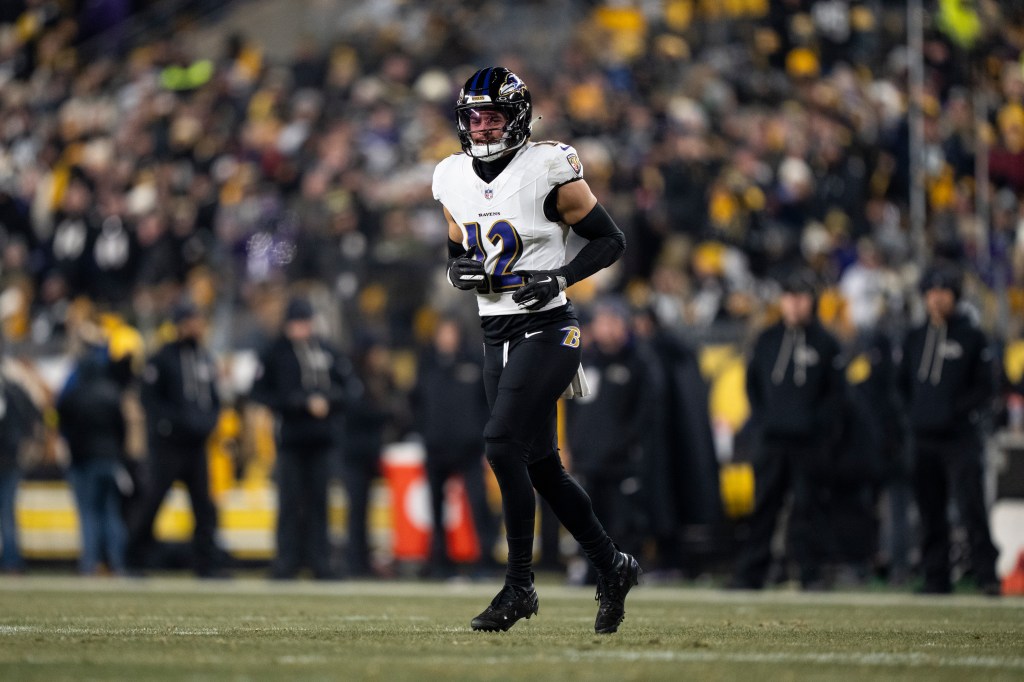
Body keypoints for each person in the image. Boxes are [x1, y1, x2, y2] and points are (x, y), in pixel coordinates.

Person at [433, 66, 640, 633]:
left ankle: (519, 585)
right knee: (542, 466)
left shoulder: (548, 167)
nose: (480, 127)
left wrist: (562, 277)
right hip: (495, 332)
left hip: (549, 328)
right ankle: (612, 565)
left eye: (492, 116)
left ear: (518, 118)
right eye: (472, 116)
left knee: (501, 444)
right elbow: (456, 246)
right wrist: (459, 271)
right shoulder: (451, 175)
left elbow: (610, 239)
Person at [730, 270, 845, 590]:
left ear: (813, 301)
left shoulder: (827, 343)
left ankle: (811, 574)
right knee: (763, 507)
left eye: (800, 298)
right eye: (789, 297)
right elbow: (753, 385)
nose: (794, 305)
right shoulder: (767, 339)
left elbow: (837, 394)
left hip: (810, 443)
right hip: (771, 440)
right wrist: (764, 421)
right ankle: (751, 574)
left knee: (810, 509)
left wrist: (819, 427)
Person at [898, 263, 1000, 595]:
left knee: (971, 506)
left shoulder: (972, 337)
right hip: (923, 436)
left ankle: (986, 575)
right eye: (931, 292)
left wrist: (955, 413)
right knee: (929, 510)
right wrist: (913, 415)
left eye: (943, 292)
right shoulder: (914, 337)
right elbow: (900, 385)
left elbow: (985, 387)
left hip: (960, 438)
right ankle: (935, 576)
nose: (937, 299)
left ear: (954, 295)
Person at [251, 297, 356, 580]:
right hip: (291, 438)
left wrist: (329, 401)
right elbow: (259, 392)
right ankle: (286, 562)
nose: (302, 329)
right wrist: (297, 403)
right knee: (289, 502)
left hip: (322, 439)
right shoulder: (275, 352)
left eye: (305, 322)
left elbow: (350, 389)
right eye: (297, 323)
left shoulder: (327, 350)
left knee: (319, 503)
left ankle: (319, 561)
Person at [126, 299, 226, 577]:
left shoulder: (205, 358)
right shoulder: (162, 358)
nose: (197, 326)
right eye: (192, 320)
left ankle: (206, 564)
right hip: (168, 446)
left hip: (196, 445)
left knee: (204, 507)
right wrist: (172, 425)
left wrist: (208, 423)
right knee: (153, 501)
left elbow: (214, 398)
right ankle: (134, 558)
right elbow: (150, 400)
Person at [563, 299, 655, 580]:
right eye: (603, 322)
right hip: (588, 458)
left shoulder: (638, 363)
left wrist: (631, 444)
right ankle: (591, 572)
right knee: (589, 518)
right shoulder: (583, 361)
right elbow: (571, 408)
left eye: (613, 322)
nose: (608, 329)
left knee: (623, 520)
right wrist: (569, 445)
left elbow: (646, 412)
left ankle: (625, 571)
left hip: (622, 460)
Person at [411, 314, 497, 578]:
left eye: (451, 332)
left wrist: (483, 435)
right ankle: (439, 561)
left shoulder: (473, 362)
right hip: (436, 447)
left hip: (469, 448)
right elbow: (415, 402)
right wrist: (423, 432)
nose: (446, 338)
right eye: (442, 333)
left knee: (478, 504)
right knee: (435, 508)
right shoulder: (426, 364)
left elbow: (488, 402)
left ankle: (484, 560)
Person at [57, 343, 132, 576]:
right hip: (109, 460)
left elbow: (66, 429)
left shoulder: (73, 396)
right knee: (110, 512)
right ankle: (118, 563)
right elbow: (122, 429)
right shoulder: (111, 394)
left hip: (83, 462)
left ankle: (89, 563)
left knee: (88, 513)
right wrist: (118, 453)